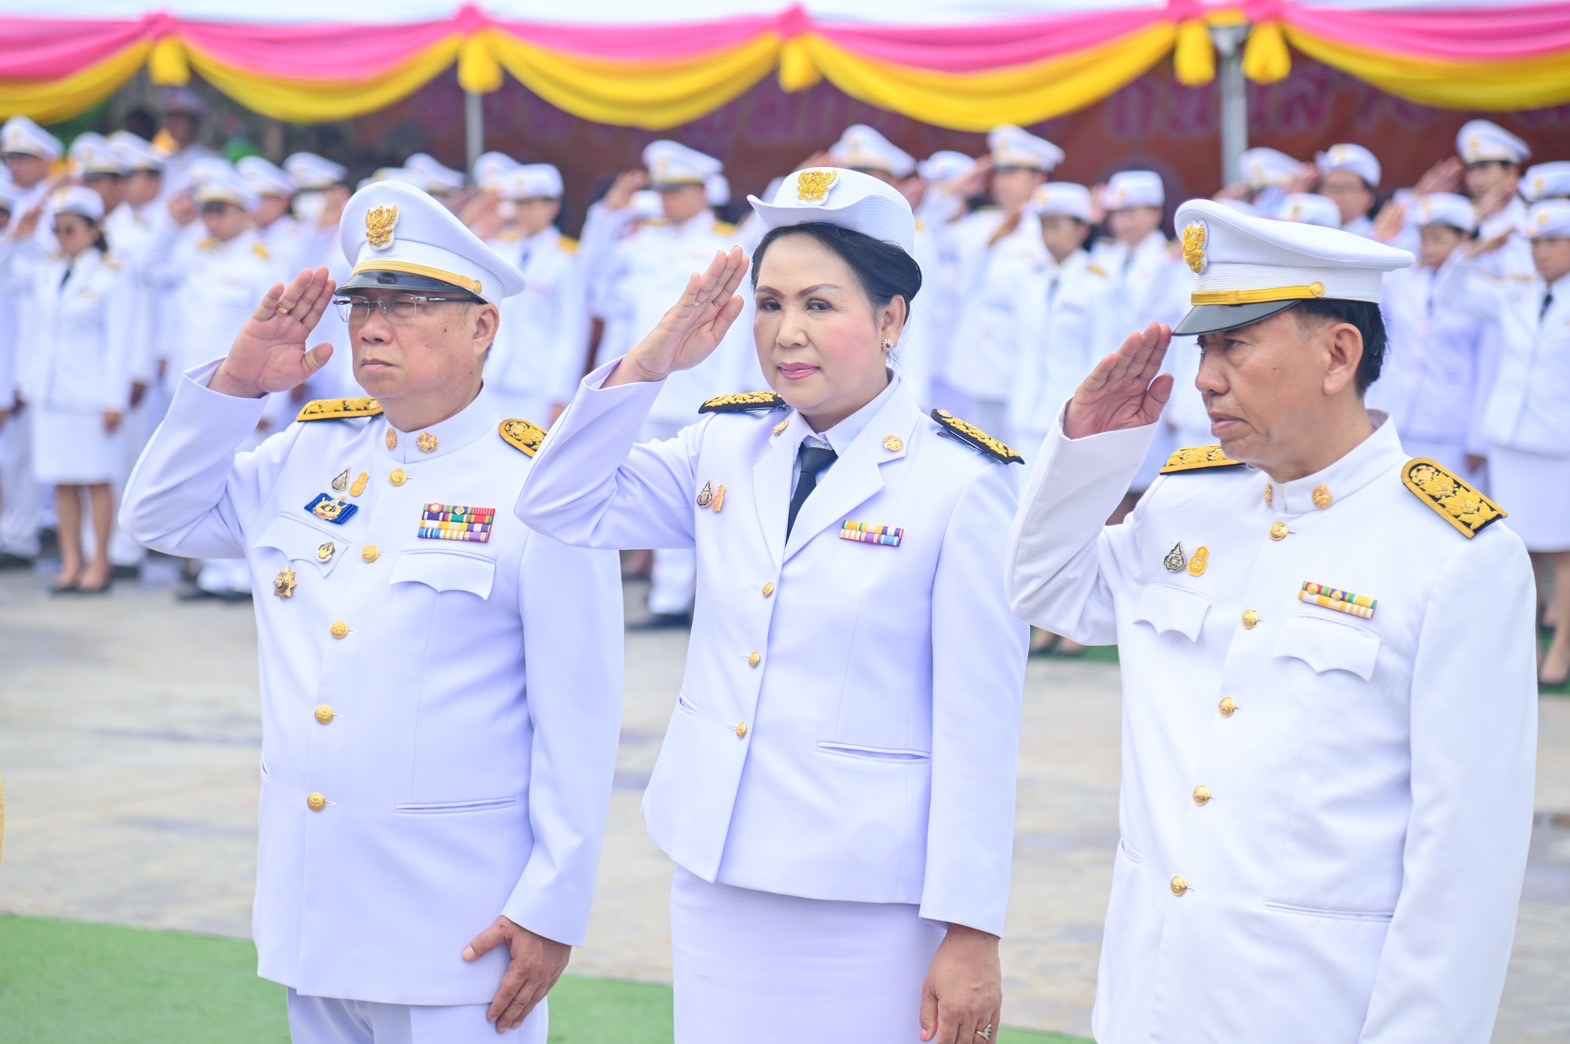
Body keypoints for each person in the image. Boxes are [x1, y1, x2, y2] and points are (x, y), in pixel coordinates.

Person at [1005, 198, 1536, 1043]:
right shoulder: (1186, 503)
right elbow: (1045, 589)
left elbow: (1462, 867)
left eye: (1236, 345)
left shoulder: (1454, 555)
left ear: (1339, 353)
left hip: (1313, 1012)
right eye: (1204, 347)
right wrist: (1087, 452)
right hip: (1150, 1000)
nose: (1206, 378)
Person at [516, 168, 1027, 1044]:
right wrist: (652, 361)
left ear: (892, 319)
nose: (787, 333)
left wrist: (972, 928)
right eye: (769, 304)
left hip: (868, 891)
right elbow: (558, 501)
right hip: (717, 861)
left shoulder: (964, 482)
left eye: (820, 305)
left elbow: (979, 723)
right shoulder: (726, 443)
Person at [120, 180, 625, 1044]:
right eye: (363, 304)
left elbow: (578, 719)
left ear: (483, 326)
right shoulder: (310, 452)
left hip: (459, 924)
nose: (374, 327)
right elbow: (159, 518)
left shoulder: (540, 487)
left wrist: (554, 905)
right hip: (314, 909)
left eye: (409, 304)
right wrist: (238, 386)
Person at [578, 140, 756, 628]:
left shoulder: (729, 244)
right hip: (648, 388)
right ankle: (668, 598)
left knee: (714, 493)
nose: (668, 200)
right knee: (652, 493)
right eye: (662, 191)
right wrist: (606, 220)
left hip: (704, 387)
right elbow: (596, 291)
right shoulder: (642, 243)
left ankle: (702, 598)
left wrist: (735, 392)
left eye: (678, 191)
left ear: (704, 191)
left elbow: (739, 329)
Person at [17, 187, 137, 593]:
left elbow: (120, 341)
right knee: (62, 481)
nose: (62, 238)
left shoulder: (111, 273)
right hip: (51, 393)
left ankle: (99, 562)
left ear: (93, 230)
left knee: (97, 480)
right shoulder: (47, 271)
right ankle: (71, 562)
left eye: (70, 229)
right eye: (56, 230)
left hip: (92, 395)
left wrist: (114, 398)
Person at [1482, 198, 1570, 686]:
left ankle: (1561, 650)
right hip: (1512, 437)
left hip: (1560, 443)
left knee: (1562, 552)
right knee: (1520, 548)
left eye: (1553, 242)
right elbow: (1457, 293)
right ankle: (1529, 643)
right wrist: (1477, 249)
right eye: (1535, 243)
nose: (1542, 252)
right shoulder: (1517, 292)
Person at [935, 125, 1062, 431]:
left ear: (1038, 179)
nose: (1003, 181)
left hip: (1019, 372)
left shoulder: (1050, 231)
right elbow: (927, 234)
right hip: (969, 368)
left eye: (1014, 172)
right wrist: (954, 191)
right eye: (1000, 172)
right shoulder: (980, 224)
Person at [1373, 193, 1499, 486]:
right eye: (1424, 238)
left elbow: (1488, 367)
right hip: (1397, 414)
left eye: (1438, 239)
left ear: (1463, 239)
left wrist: (1478, 439)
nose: (1427, 247)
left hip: (1451, 425)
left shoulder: (1484, 291)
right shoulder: (1402, 281)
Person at [483, 163, 588, 426]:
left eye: (531, 204)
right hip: (493, 375)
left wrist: (560, 393)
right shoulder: (499, 250)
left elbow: (572, 331)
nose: (523, 212)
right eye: (519, 204)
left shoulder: (566, 258)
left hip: (538, 384)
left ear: (553, 206)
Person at [1315, 143, 1381, 237]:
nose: (1336, 196)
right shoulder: (1311, 229)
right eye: (1331, 187)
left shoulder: (1380, 239)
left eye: (1346, 187)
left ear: (1369, 197)